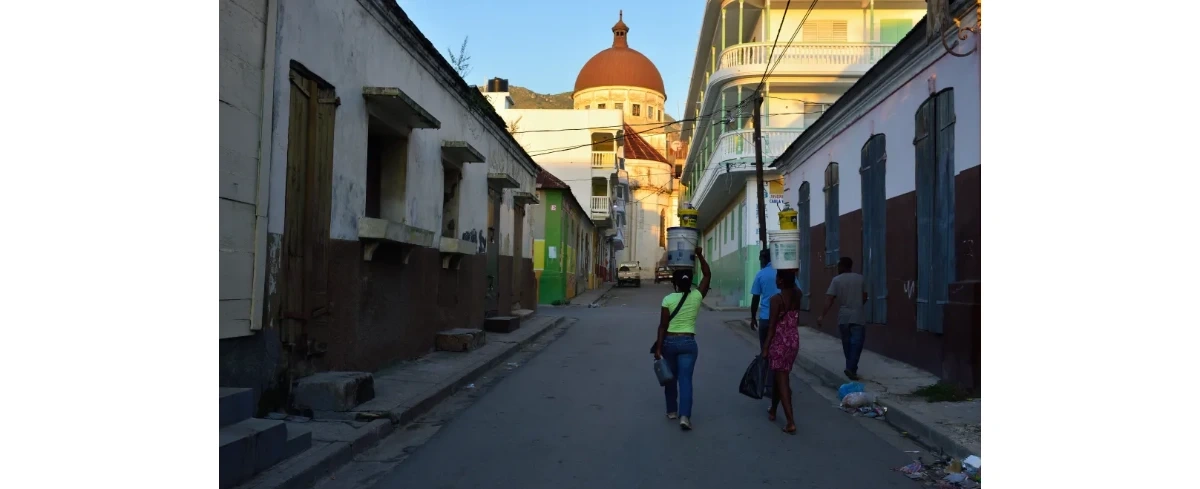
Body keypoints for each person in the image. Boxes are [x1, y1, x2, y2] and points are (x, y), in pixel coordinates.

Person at [654, 246, 711, 431]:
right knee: (685, 380)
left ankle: (671, 410)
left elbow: (663, 326)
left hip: (670, 343)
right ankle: (685, 416)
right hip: (688, 343)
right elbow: (707, 275)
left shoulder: (667, 299)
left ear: (675, 283)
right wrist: (700, 255)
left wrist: (658, 348)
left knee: (670, 378)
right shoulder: (696, 296)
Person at [762, 269, 801, 434]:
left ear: (781, 281)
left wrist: (765, 348)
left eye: (778, 277)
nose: (776, 280)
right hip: (793, 340)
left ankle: (790, 421)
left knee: (782, 380)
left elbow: (771, 327)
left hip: (780, 342)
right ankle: (773, 410)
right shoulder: (797, 295)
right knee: (781, 375)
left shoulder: (775, 300)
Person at [818, 257, 868, 380]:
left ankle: (850, 368)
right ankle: (851, 368)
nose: (837, 268)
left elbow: (829, 299)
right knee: (856, 344)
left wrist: (822, 315)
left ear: (842, 266)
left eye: (838, 266)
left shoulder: (836, 280)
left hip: (843, 317)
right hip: (858, 316)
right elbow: (865, 296)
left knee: (847, 344)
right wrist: (857, 305)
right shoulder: (860, 278)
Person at [749, 249, 801, 349]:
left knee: (766, 351)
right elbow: (799, 292)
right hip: (784, 319)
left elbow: (755, 297)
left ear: (764, 260)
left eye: (760, 259)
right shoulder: (785, 273)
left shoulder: (761, 274)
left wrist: (753, 317)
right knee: (781, 351)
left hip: (766, 318)